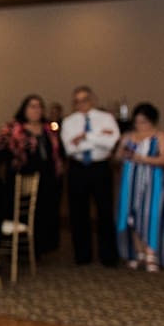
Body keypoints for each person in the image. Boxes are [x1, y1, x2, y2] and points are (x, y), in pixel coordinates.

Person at [0, 94, 64, 256]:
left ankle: (41, 247)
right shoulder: (14, 128)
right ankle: (21, 249)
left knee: (45, 212)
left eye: (39, 106)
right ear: (24, 109)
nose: (36, 110)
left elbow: (57, 152)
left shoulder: (49, 129)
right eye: (32, 106)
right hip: (22, 177)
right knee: (22, 212)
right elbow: (0, 149)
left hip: (47, 178)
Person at [61, 86, 120, 266]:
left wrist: (85, 137)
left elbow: (111, 143)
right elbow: (70, 148)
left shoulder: (106, 118)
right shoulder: (68, 122)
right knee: (78, 213)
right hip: (78, 169)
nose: (81, 104)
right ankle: (82, 256)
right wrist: (97, 138)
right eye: (77, 101)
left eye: (84, 99)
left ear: (93, 99)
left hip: (100, 168)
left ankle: (108, 256)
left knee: (105, 212)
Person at [115, 103, 164, 271]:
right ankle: (137, 252)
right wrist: (122, 154)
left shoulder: (160, 136)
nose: (140, 125)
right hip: (129, 181)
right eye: (138, 121)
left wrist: (141, 158)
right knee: (130, 215)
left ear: (153, 121)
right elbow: (117, 157)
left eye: (144, 121)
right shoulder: (128, 136)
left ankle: (152, 253)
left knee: (150, 214)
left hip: (152, 182)